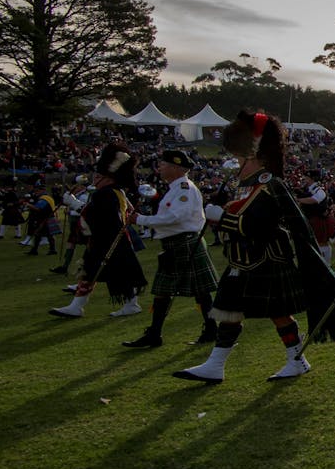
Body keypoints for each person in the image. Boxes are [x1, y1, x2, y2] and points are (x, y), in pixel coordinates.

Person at [173, 111, 335, 385]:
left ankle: (297, 360)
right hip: (241, 260)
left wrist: (220, 217)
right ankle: (215, 365)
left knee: (277, 313)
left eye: (239, 156)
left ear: (253, 152)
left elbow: (258, 226)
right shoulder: (244, 185)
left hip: (266, 259)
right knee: (229, 311)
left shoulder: (269, 184)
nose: (236, 161)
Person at [121, 150, 219, 349]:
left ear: (175, 168)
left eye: (163, 165)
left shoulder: (184, 188)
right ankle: (157, 333)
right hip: (176, 243)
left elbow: (176, 217)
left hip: (183, 242)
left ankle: (208, 330)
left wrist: (141, 219)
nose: (160, 168)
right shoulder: (175, 188)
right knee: (173, 291)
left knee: (190, 291)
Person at [50, 143, 147, 319]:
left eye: (99, 176)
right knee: (91, 272)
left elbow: (95, 215)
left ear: (109, 178)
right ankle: (77, 306)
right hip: (107, 239)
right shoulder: (114, 192)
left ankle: (130, 304)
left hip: (109, 240)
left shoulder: (107, 193)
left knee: (116, 273)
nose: (95, 178)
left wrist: (74, 204)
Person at [51, 178, 90, 275]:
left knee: (89, 245)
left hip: (83, 223)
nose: (74, 188)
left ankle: (84, 267)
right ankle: (65, 266)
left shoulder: (85, 196)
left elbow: (84, 210)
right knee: (71, 243)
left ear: (82, 186)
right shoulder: (78, 195)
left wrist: (70, 211)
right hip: (76, 224)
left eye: (77, 186)